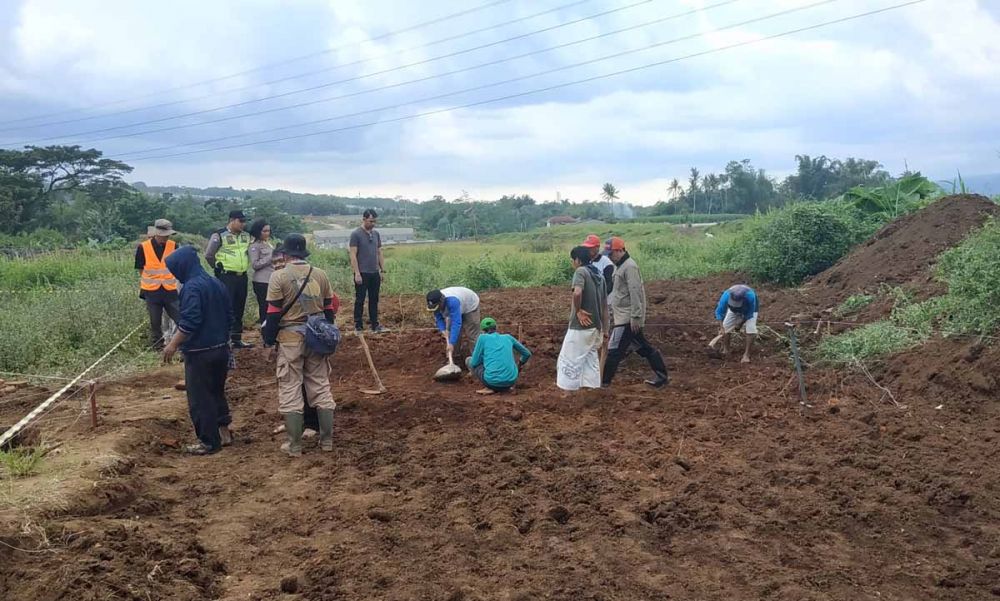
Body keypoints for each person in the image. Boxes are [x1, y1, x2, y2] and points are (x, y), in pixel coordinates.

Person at [262, 234, 338, 457]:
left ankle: (294, 445)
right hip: (316, 338)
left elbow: (273, 314)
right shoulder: (320, 274)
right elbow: (329, 310)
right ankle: (327, 441)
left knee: (290, 388)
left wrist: (268, 341)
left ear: (285, 254)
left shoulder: (278, 276)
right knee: (321, 386)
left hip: (290, 340)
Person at [162, 246, 234, 455]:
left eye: (174, 269)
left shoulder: (191, 288)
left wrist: (172, 344)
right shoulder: (216, 282)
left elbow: (190, 322)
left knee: (200, 398)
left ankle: (209, 442)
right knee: (217, 392)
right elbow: (230, 316)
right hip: (221, 349)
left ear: (182, 267)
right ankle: (224, 433)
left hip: (200, 352)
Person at [602, 237, 669, 388]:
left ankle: (604, 383)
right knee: (643, 348)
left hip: (627, 318)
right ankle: (662, 376)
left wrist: (636, 317)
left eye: (611, 254)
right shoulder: (620, 266)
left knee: (614, 351)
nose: (610, 257)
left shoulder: (629, 267)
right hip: (623, 316)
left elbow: (635, 292)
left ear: (620, 250)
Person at [556, 246, 608, 391]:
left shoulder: (580, 272)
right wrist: (605, 329)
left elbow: (577, 292)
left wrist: (578, 310)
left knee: (569, 359)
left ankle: (567, 391)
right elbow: (605, 306)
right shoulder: (599, 275)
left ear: (578, 260)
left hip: (581, 326)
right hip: (596, 327)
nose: (572, 263)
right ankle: (591, 390)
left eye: (573, 260)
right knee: (591, 360)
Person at [205, 210, 253, 348]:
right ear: (232, 220)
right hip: (226, 276)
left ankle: (236, 338)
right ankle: (223, 339)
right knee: (226, 307)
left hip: (242, 276)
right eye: (240, 221)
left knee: (239, 307)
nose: (243, 224)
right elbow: (209, 255)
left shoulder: (246, 236)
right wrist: (217, 268)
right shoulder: (219, 235)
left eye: (244, 221)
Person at [135, 219, 181, 349]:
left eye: (168, 235)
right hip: (151, 291)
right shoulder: (143, 247)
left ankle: (182, 344)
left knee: (180, 318)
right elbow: (140, 268)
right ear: (156, 233)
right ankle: (158, 346)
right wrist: (152, 280)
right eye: (164, 235)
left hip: (170, 290)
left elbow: (177, 266)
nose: (166, 238)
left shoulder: (174, 246)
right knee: (155, 321)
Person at [467, 317, 532, 394]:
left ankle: (489, 387)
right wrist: (520, 364)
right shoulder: (508, 337)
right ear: (496, 328)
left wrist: (482, 360)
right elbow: (527, 353)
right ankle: (503, 387)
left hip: (492, 382)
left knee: (469, 360)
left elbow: (474, 362)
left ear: (483, 331)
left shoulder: (482, 338)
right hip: (510, 382)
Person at [350, 209, 386, 333]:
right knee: (360, 300)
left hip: (374, 272)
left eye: (374, 221)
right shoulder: (356, 234)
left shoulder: (376, 234)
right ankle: (358, 326)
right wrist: (357, 273)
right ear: (364, 219)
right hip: (362, 273)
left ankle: (375, 325)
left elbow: (379, 252)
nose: (373, 224)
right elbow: (353, 255)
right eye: (371, 221)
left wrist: (382, 270)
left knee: (374, 299)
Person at [426, 286, 480, 364]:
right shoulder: (435, 302)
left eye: (437, 307)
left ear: (442, 301)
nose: (436, 309)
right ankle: (454, 358)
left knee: (472, 334)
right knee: (451, 333)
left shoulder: (452, 302)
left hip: (469, 305)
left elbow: (456, 323)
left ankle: (476, 360)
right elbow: (438, 318)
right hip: (455, 307)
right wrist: (443, 330)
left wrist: (451, 343)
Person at [709, 284, 759, 363]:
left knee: (751, 329)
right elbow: (719, 312)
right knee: (726, 327)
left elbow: (749, 314)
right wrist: (722, 328)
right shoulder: (726, 296)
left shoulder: (750, 297)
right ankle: (726, 350)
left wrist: (740, 324)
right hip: (732, 310)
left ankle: (746, 355)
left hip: (749, 309)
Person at [248, 219, 274, 324]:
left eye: (268, 231)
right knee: (264, 307)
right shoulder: (254, 246)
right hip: (261, 281)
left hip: (271, 279)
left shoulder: (268, 244)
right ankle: (264, 328)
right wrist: (271, 257)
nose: (267, 233)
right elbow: (255, 264)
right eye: (264, 231)